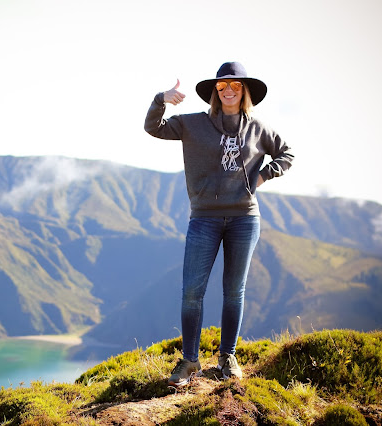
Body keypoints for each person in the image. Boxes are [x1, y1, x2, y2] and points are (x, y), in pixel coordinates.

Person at [144, 62, 294, 386]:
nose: (228, 90)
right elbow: (153, 127)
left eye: (235, 85)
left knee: (233, 292)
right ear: (215, 91)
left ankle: (228, 357)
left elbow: (286, 154)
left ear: (244, 91)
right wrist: (161, 99)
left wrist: (263, 175)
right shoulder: (193, 124)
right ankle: (190, 361)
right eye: (222, 85)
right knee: (192, 292)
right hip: (204, 219)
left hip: (244, 219)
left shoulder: (258, 128)